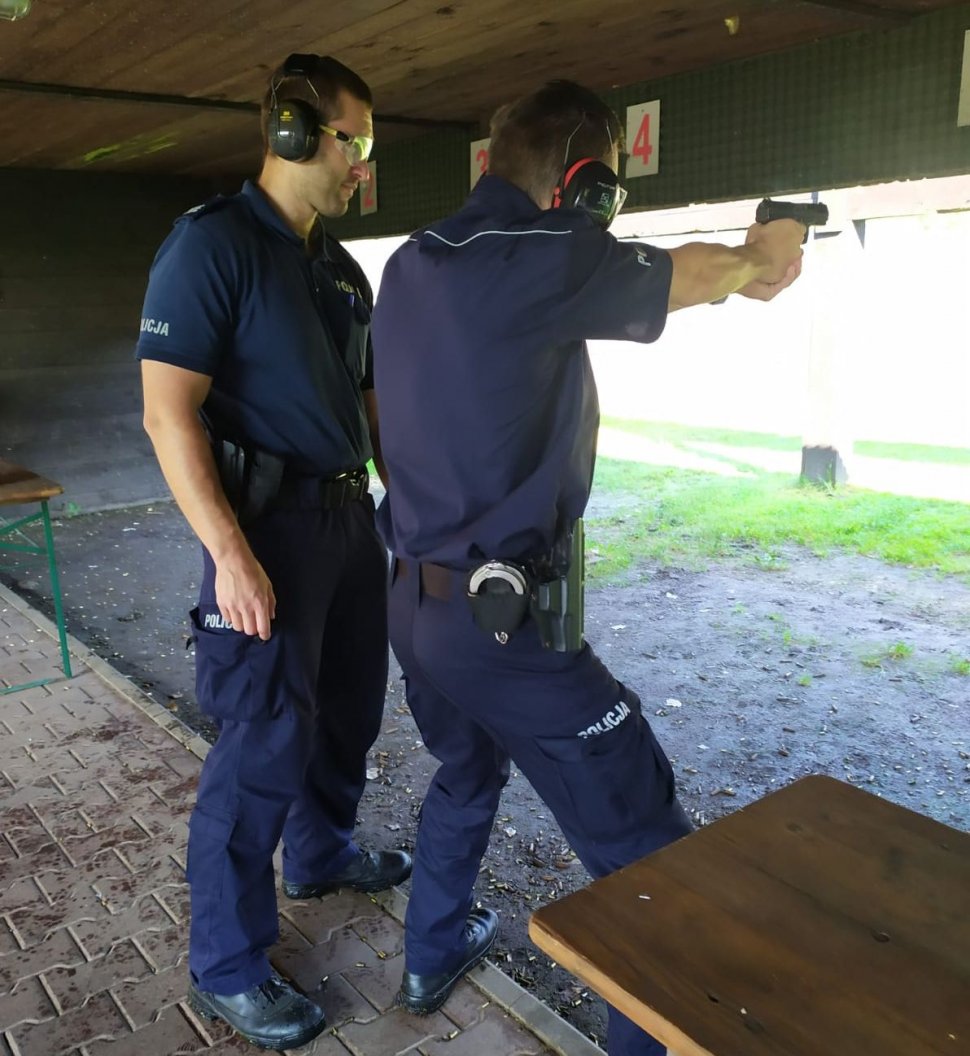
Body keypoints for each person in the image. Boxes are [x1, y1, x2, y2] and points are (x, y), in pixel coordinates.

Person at [370, 80, 805, 1056]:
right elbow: (693, 274)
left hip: (416, 602)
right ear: (586, 181)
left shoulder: (414, 262)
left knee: (464, 772)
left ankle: (430, 951)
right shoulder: (537, 252)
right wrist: (761, 253)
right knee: (647, 854)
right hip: (505, 632)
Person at [135, 53, 411, 1051]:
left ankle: (323, 852)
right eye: (356, 143)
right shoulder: (213, 248)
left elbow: (375, 410)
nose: (362, 168)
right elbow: (169, 415)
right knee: (262, 744)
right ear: (294, 130)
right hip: (267, 531)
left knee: (347, 710)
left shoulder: (340, 270)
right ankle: (229, 962)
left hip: (347, 523)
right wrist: (229, 552)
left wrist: (410, 514)